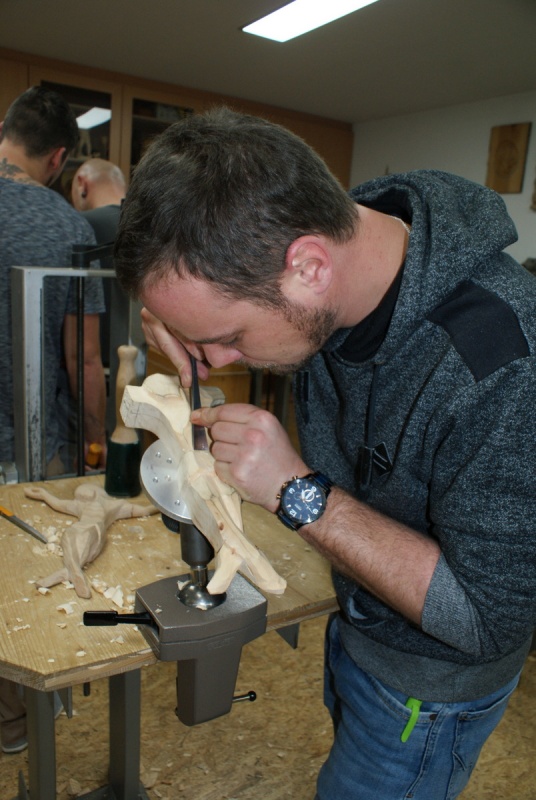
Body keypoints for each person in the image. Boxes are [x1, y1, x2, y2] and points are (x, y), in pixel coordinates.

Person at [113, 108, 536, 799]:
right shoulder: (329, 254)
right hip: (357, 627)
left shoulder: (504, 364)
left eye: (229, 338)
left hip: (429, 694)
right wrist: (194, 325)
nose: (219, 361)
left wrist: (296, 490)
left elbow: (489, 620)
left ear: (309, 267)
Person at [0, 85, 107, 753]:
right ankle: (18, 720)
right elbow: (84, 359)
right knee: (25, 592)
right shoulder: (67, 226)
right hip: (33, 450)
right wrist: (99, 445)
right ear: (60, 158)